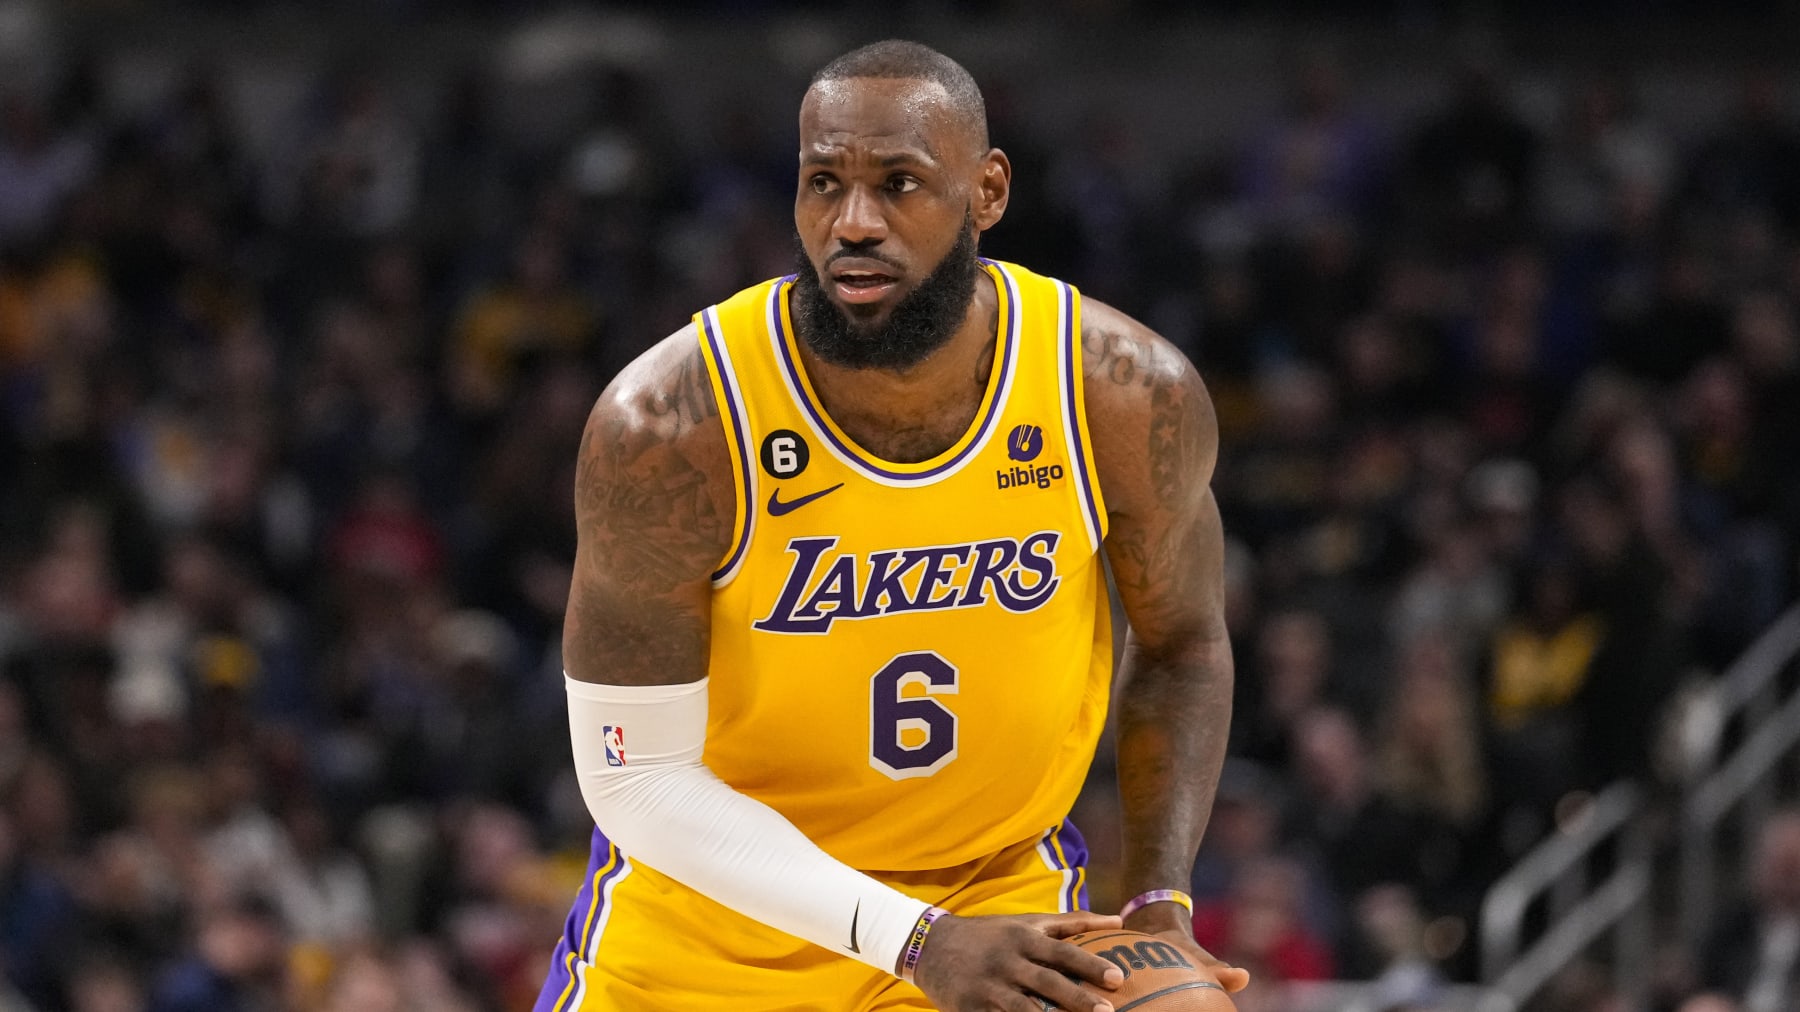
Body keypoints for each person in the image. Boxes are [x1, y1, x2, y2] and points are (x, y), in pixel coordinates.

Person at [536, 40, 1246, 1012]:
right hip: (709, 931)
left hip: (994, 902)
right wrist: (914, 942)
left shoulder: (1118, 395)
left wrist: (1161, 899)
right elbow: (637, 779)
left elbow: (1185, 643)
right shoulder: (671, 424)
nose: (853, 222)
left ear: (988, 191)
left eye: (899, 183)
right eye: (822, 182)